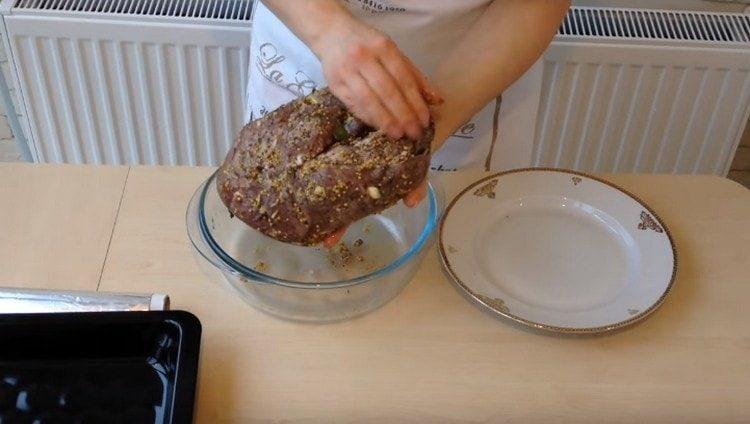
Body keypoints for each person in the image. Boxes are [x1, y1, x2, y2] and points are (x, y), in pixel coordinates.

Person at [246, 0, 570, 246]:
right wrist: (326, 28)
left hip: (475, 72)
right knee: (279, 236)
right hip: (299, 46)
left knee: (454, 250)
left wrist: (426, 129)